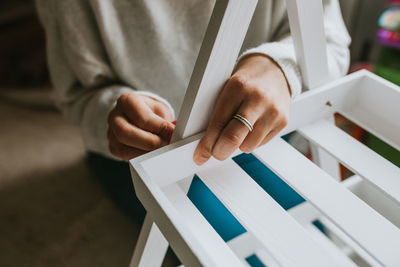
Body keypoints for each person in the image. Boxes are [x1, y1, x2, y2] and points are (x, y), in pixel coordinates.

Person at [36, 0, 350, 251]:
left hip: (262, 136)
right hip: (143, 157)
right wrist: (113, 113)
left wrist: (280, 66)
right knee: (238, 252)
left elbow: (331, 39)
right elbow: (77, 95)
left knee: (318, 241)